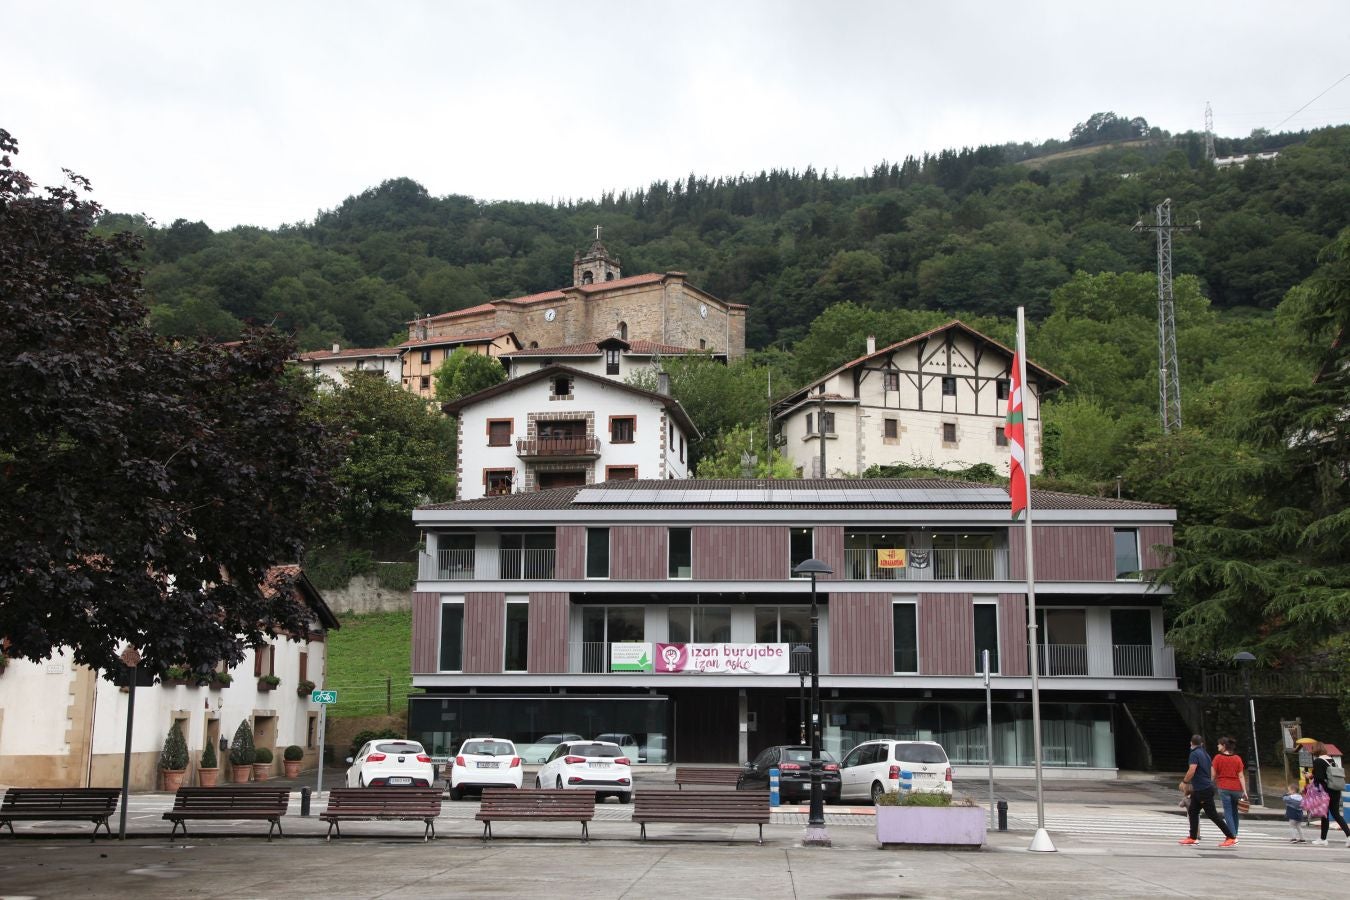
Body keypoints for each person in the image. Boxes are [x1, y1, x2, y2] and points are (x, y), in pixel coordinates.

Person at [1179, 734, 1237, 847]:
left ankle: (1231, 837)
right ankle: (1192, 837)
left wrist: (1185, 782)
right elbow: (1211, 771)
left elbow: (1192, 769)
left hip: (1202, 790)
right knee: (1193, 811)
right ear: (1201, 744)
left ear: (1191, 743)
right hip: (1203, 788)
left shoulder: (1194, 754)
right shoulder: (1206, 754)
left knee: (1212, 815)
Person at [1309, 741, 1350, 846]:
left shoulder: (1318, 761)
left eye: (1313, 749)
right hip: (1336, 790)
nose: (1312, 751)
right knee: (1336, 814)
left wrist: (1311, 777)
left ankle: (1323, 839)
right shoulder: (1330, 760)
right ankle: (1348, 836)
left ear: (1316, 750)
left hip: (1326, 791)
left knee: (1325, 815)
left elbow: (1319, 778)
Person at [1211, 736, 1249, 835]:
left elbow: (1213, 775)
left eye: (1219, 744)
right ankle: (1235, 833)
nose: (1217, 746)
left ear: (1224, 746)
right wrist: (1244, 791)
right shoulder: (1237, 758)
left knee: (1227, 811)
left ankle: (1232, 836)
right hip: (1237, 789)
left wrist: (1210, 784)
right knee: (1235, 812)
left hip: (1224, 788)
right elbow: (1241, 776)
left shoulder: (1218, 758)